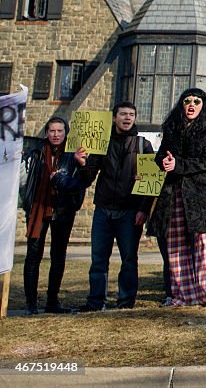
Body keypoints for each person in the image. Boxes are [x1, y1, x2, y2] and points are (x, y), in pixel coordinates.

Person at [149, 89, 206, 308]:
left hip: (198, 193)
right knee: (175, 243)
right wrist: (164, 160)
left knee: (202, 240)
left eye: (196, 101)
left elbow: (205, 161)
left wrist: (178, 165)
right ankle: (183, 294)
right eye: (187, 101)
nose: (191, 105)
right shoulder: (172, 127)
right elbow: (160, 155)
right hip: (173, 192)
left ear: (203, 105)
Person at [79, 103, 154, 312]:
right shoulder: (101, 143)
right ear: (114, 118)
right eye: (123, 114)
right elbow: (87, 178)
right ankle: (95, 302)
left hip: (130, 212)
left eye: (131, 114)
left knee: (129, 259)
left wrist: (143, 209)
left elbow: (151, 182)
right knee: (98, 260)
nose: (127, 118)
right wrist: (82, 163)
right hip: (103, 209)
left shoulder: (143, 145)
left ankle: (125, 302)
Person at [20, 116, 88, 314]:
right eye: (52, 131)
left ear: (66, 133)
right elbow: (26, 181)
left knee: (58, 255)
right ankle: (31, 303)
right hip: (38, 209)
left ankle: (52, 301)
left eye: (60, 131)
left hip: (63, 209)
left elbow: (82, 182)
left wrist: (80, 165)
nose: (56, 135)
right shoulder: (36, 153)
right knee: (33, 254)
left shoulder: (73, 154)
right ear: (46, 133)